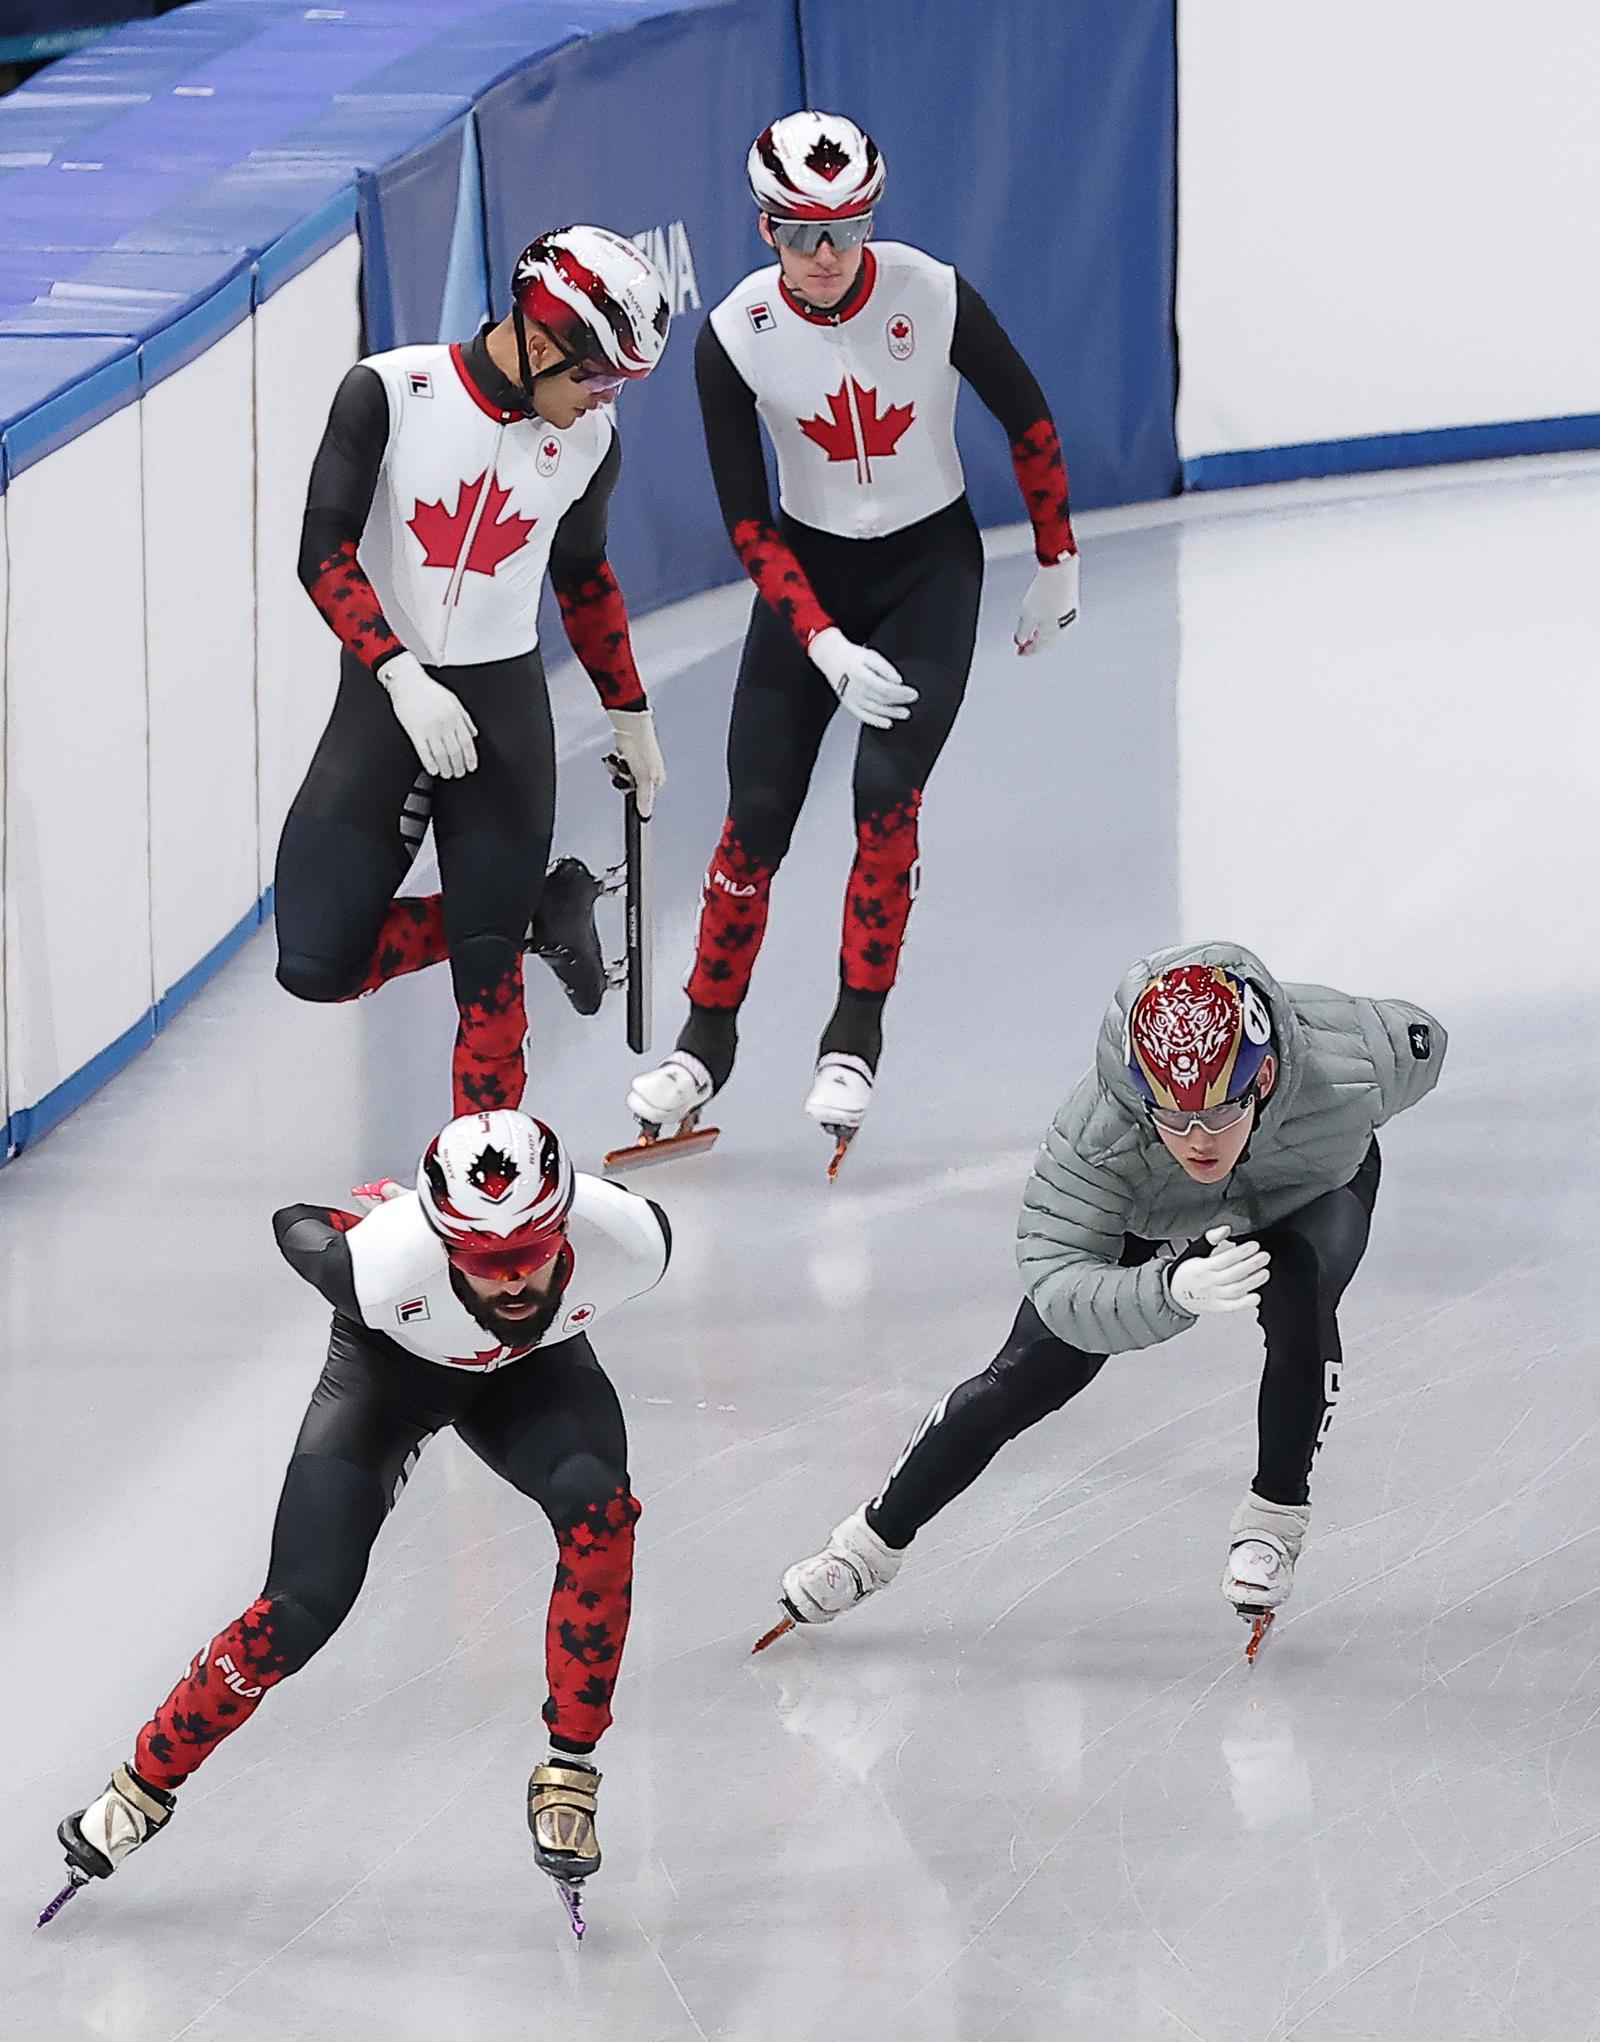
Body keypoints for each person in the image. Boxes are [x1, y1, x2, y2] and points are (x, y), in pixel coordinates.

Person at [51, 1110, 670, 1915]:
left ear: (565, 1225)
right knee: (301, 1606)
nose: (514, 1281)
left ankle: (571, 1769)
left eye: (532, 1255)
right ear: (443, 1242)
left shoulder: (633, 1239)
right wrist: (375, 1223)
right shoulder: (377, 1267)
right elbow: (293, 1222)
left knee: (601, 1515)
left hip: (534, 1375)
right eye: (487, 1261)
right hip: (390, 1374)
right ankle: (142, 1784)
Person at [621, 111, 1081, 1171]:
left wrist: (1056, 562)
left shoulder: (931, 291)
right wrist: (821, 642)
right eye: (799, 234)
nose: (827, 258)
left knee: (885, 796)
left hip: (928, 575)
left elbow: (1031, 423)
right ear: (763, 228)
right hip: (807, 580)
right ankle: (706, 1038)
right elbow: (746, 520)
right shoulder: (733, 335)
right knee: (755, 818)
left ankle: (853, 1035)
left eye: (850, 228)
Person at [766, 945, 1446, 1654]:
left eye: (1216, 1116)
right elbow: (1057, 1285)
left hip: (1307, 1189)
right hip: (1151, 1213)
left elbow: (1430, 1041)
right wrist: (1167, 1288)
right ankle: (866, 1546)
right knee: (1033, 1369)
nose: (1196, 1141)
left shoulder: (1360, 1061)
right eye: (1171, 1119)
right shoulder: (1096, 1137)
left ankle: (1274, 1523)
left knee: (1299, 1291)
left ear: (1267, 1075)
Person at [276, 226, 672, 1115]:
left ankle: (491, 1212)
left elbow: (584, 578)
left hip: (503, 716)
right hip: (385, 702)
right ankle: (539, 912)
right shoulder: (386, 390)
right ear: (538, 340)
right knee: (315, 963)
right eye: (596, 376)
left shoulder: (590, 444)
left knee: (488, 994)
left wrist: (632, 714)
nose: (603, 400)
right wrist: (399, 676)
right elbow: (322, 552)